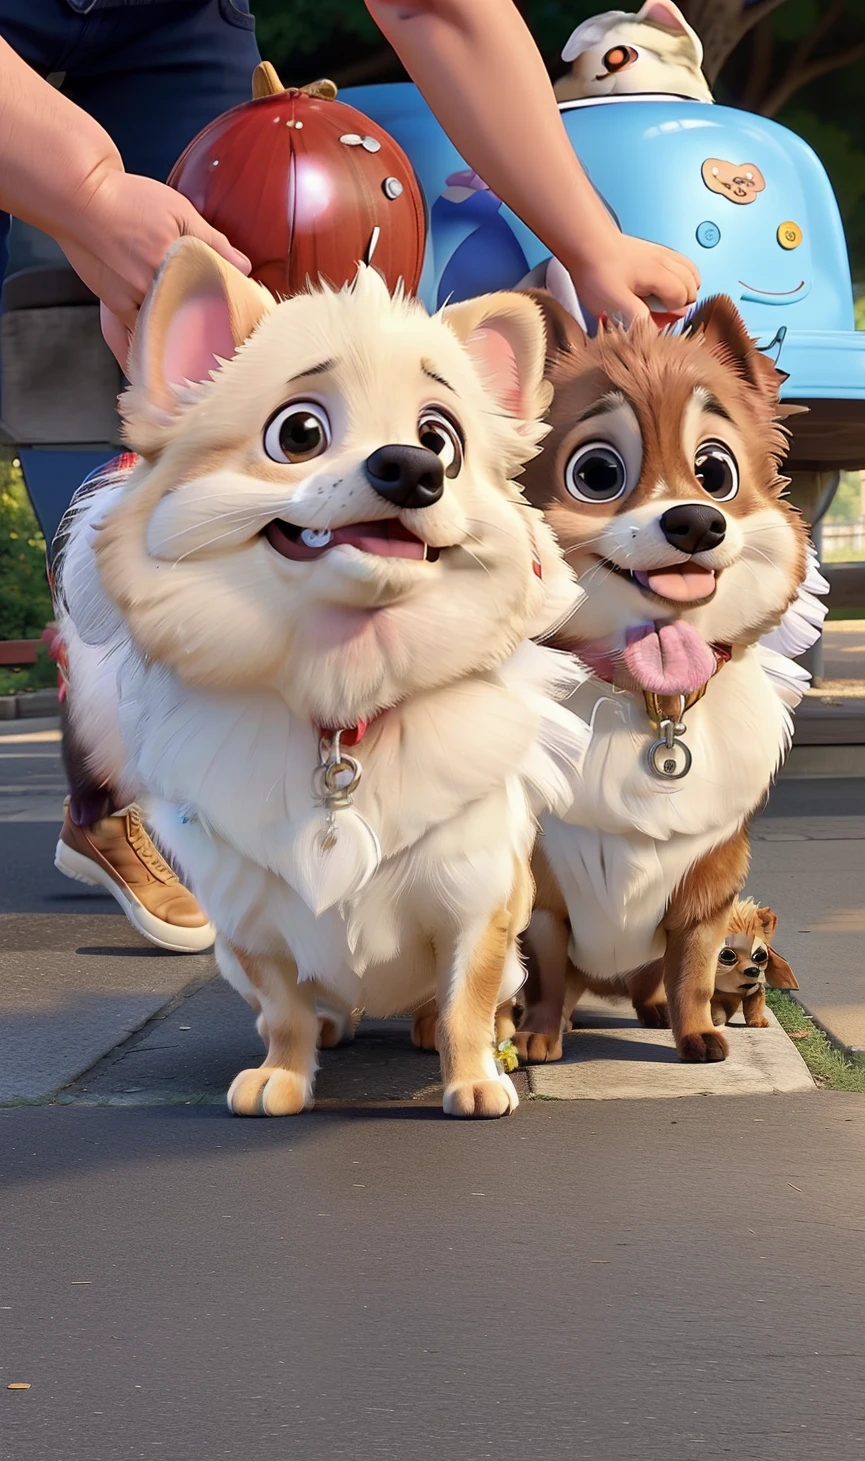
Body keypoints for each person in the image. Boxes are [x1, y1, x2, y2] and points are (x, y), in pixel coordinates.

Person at [0, 0, 700, 952]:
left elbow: (440, 7)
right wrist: (82, 194)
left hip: (172, 20)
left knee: (232, 387)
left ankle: (135, 782)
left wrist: (587, 239)